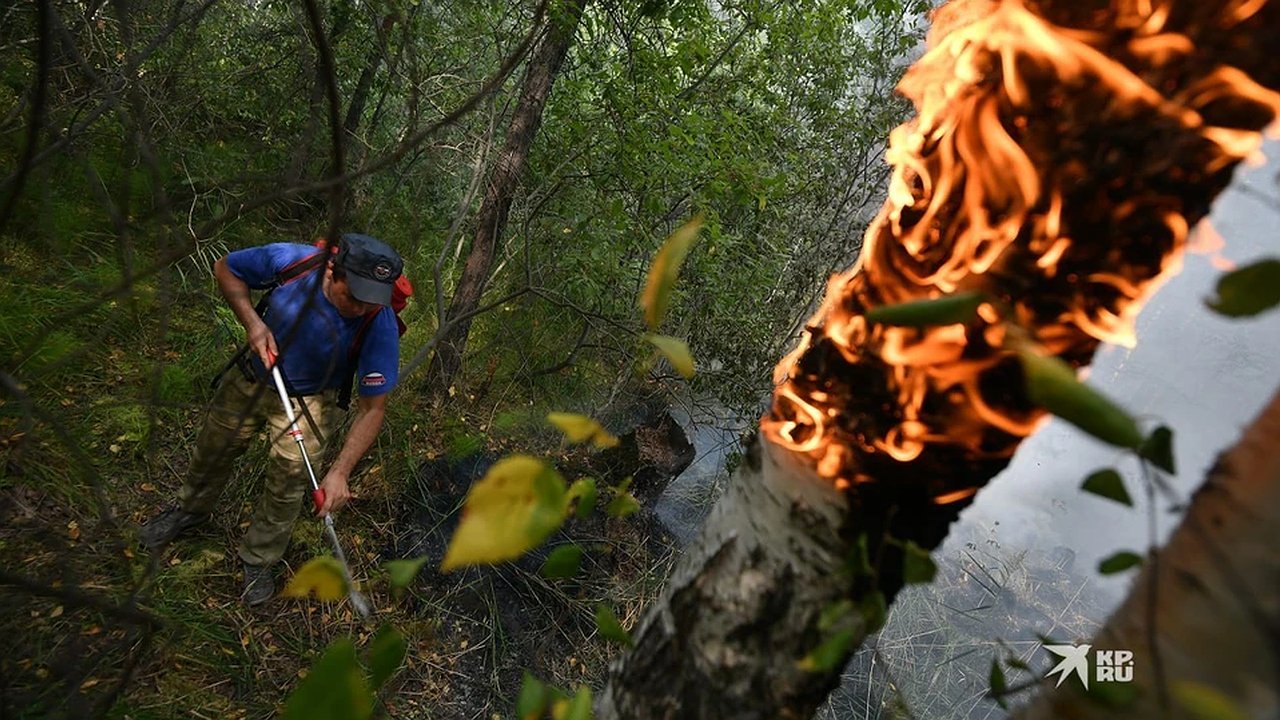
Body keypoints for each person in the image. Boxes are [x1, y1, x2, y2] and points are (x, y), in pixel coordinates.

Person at [140, 233, 403, 606]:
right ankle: (189, 512)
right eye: (355, 296)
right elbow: (226, 269)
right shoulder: (293, 262)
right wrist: (253, 323)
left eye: (371, 299)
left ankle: (259, 559)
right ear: (333, 271)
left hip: (310, 400)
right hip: (250, 379)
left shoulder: (379, 319)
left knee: (287, 486)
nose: (362, 308)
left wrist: (341, 472)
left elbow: (372, 408)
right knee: (214, 450)